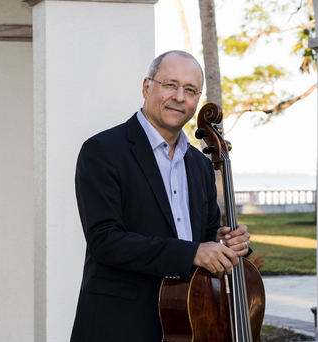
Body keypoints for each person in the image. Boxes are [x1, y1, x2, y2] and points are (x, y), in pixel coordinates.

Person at [71, 50, 251, 342]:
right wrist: (192, 253)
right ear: (146, 87)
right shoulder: (102, 150)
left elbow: (205, 237)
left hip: (186, 321)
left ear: (197, 100)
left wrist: (223, 243)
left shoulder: (200, 164)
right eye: (170, 84)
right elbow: (105, 240)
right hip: (119, 324)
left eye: (190, 90)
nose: (180, 96)